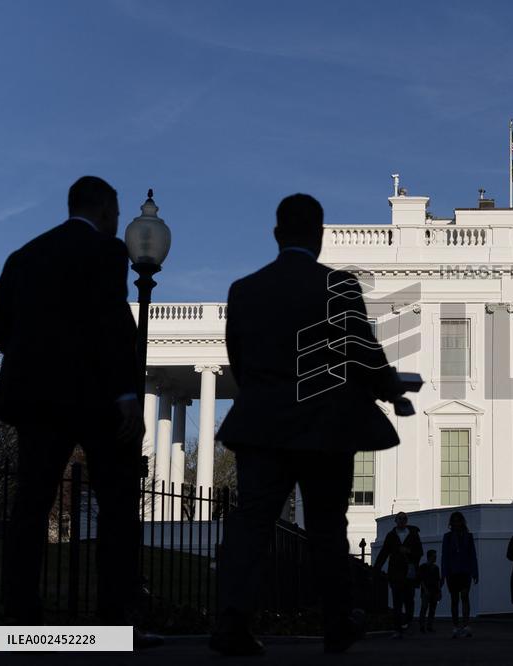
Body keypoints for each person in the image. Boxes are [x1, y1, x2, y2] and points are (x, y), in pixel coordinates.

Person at [210, 194, 409, 656]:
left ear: (277, 235)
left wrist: (266, 396)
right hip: (324, 426)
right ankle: (337, 624)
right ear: (320, 237)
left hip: (261, 426)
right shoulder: (338, 286)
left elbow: (238, 362)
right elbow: (363, 355)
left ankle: (231, 622)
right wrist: (391, 390)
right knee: (326, 527)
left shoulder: (244, 290)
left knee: (251, 525)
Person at [0, 176, 160, 647]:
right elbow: (111, 324)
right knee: (117, 505)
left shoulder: (24, 256)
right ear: (104, 211)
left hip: (37, 399)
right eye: (118, 214)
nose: (118, 222)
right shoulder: (106, 253)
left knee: (30, 505)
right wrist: (126, 394)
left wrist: (31, 361)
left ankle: (20, 616)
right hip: (95, 398)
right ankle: (113, 620)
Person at [373, 511, 424, 638]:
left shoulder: (413, 535)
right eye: (399, 519)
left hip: (408, 573)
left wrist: (409, 552)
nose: (401, 521)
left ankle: (407, 622)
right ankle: (398, 628)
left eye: (404, 518)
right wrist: (377, 567)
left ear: (406, 521)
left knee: (408, 600)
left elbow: (419, 552)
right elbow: (384, 552)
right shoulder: (391, 536)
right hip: (395, 573)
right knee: (397, 601)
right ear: (396, 521)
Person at [440, 510, 479, 638]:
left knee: (465, 597)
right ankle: (456, 626)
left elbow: (473, 555)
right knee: (455, 599)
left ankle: (466, 625)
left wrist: (475, 572)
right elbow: (444, 557)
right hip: (452, 572)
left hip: (465, 571)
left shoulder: (468, 536)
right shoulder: (447, 537)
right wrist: (443, 574)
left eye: (458, 520)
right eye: (454, 521)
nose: (456, 523)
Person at [417, 549, 441, 633]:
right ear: (430, 557)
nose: (435, 558)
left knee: (432, 609)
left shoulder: (436, 568)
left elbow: (438, 581)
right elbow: (421, 580)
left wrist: (438, 592)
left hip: (433, 591)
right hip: (426, 591)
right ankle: (422, 626)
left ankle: (429, 626)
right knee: (424, 608)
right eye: (434, 556)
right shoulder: (423, 567)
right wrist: (425, 590)